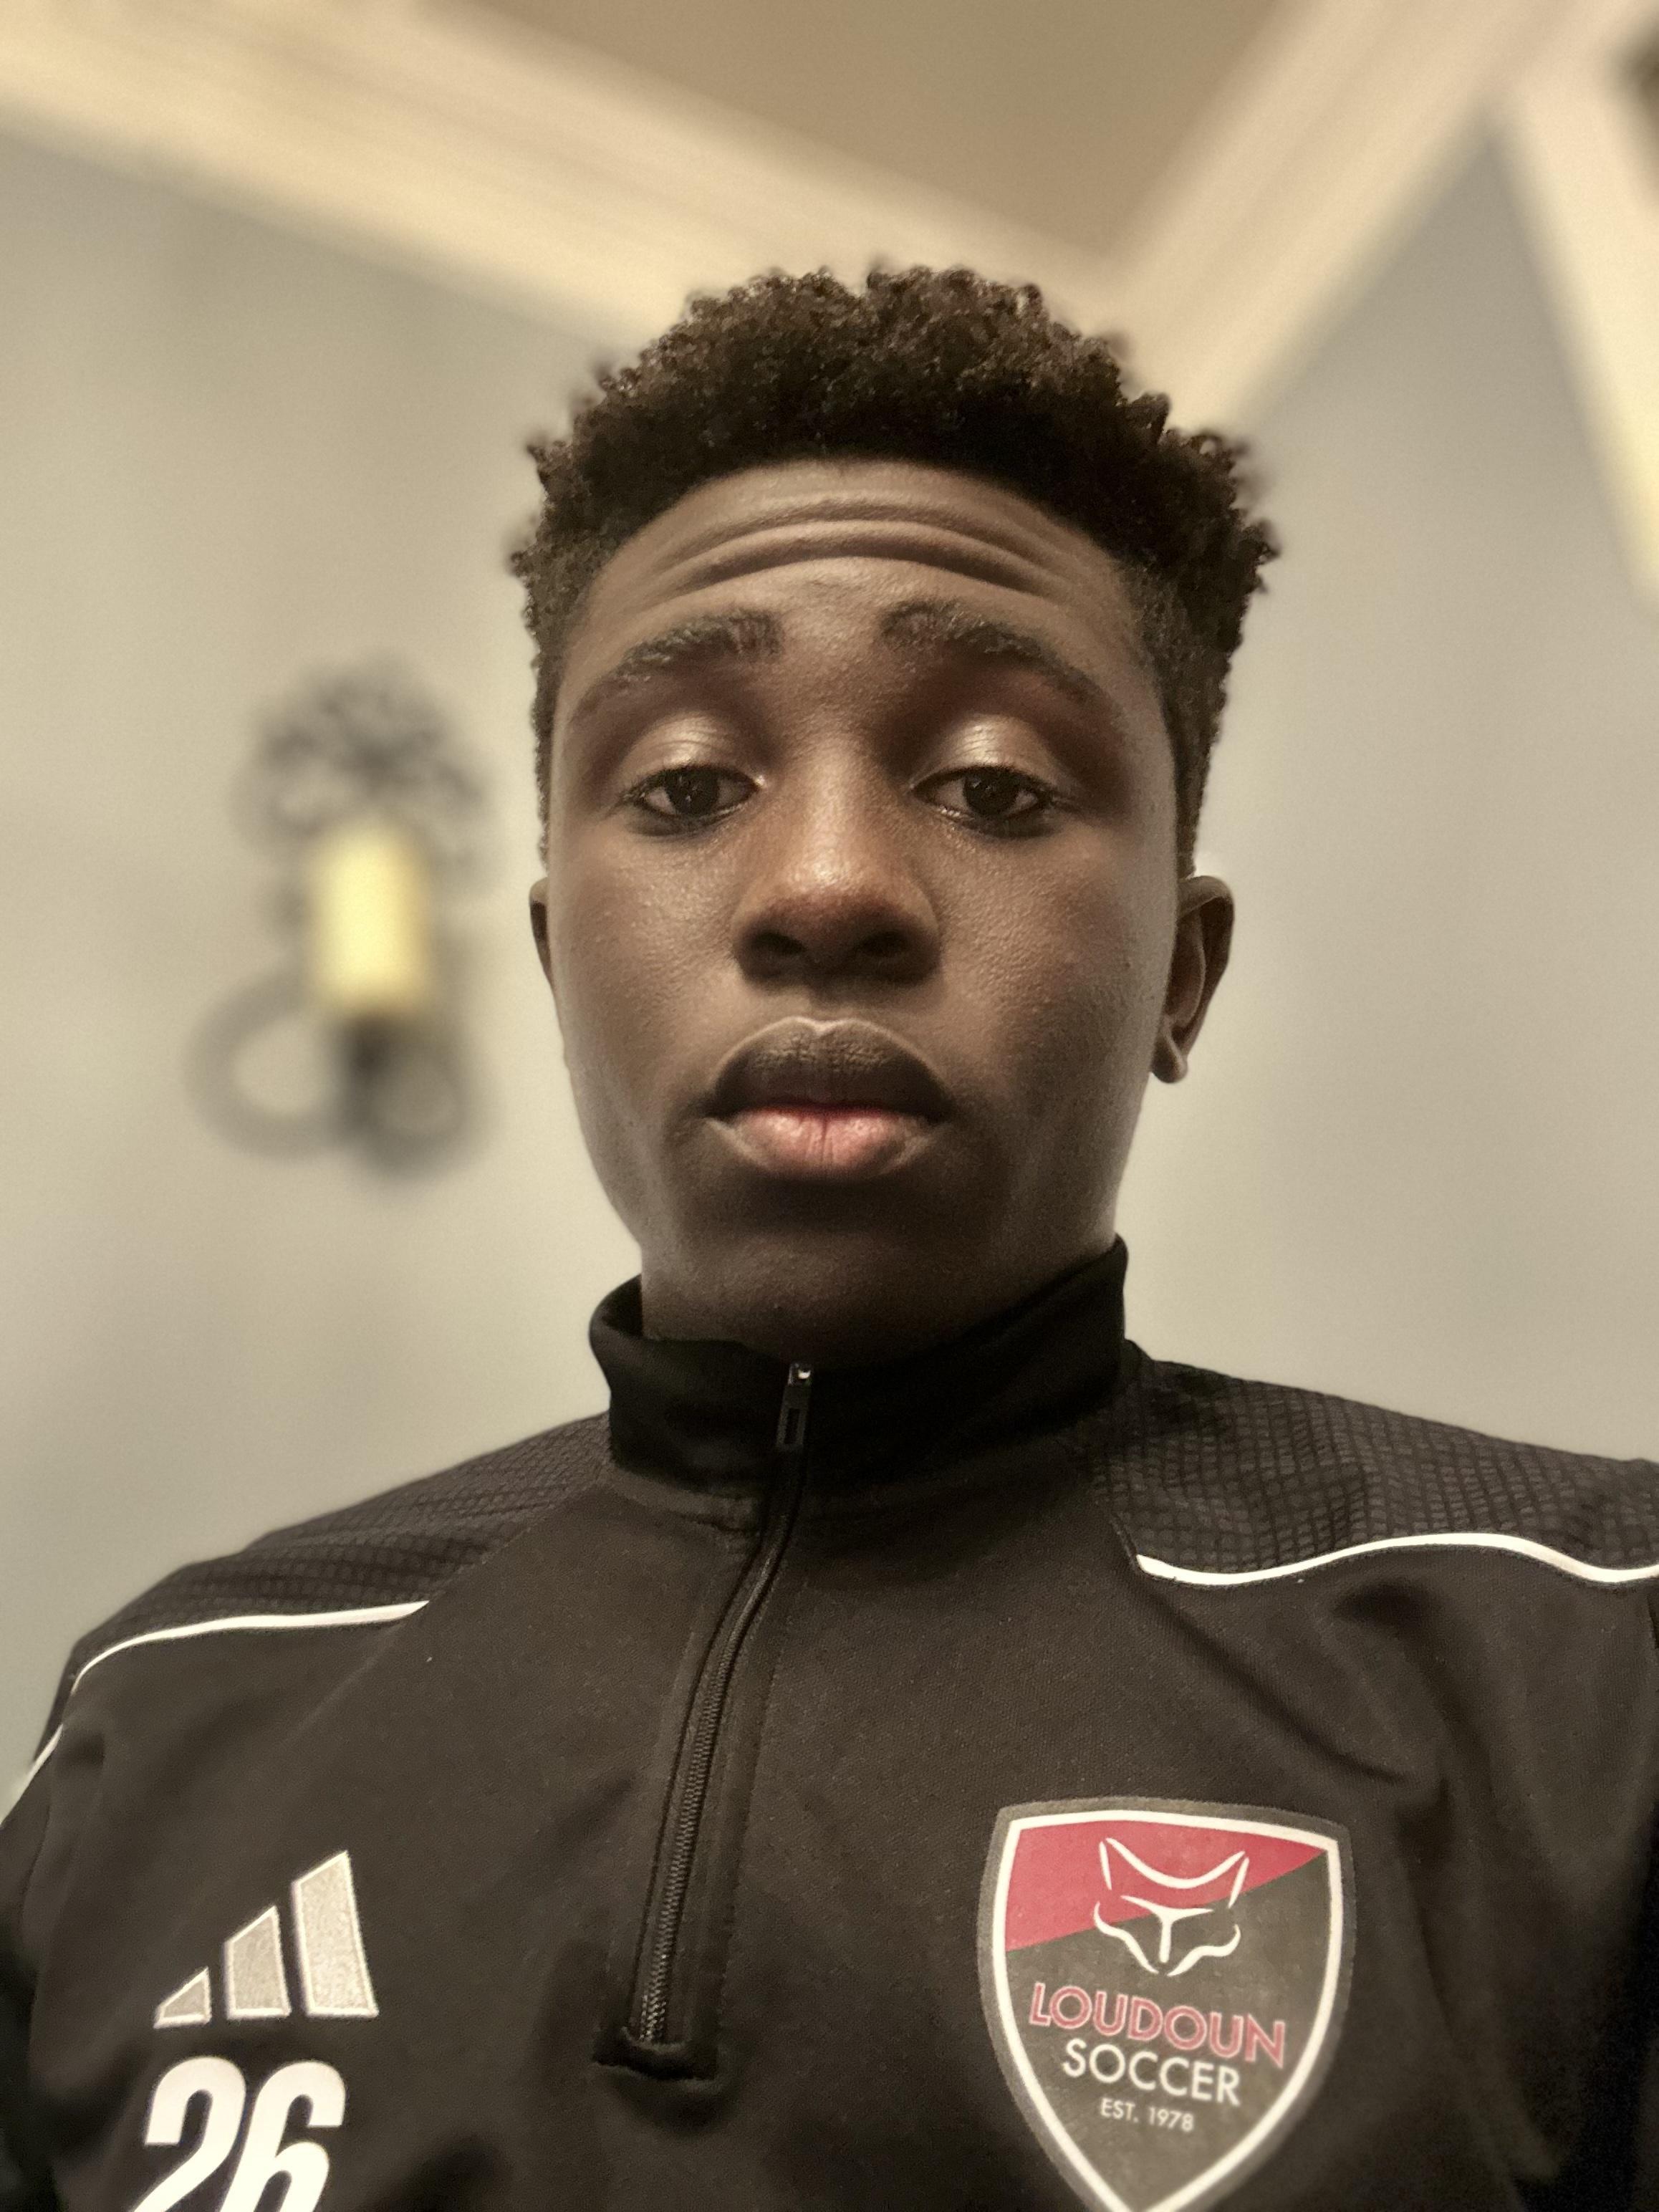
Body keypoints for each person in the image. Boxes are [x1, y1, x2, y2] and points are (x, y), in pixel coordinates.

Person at [2, 266, 1655, 2212]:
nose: (828, 885)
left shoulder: (1584, 1668)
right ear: (556, 959)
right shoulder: (171, 1714)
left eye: (994, 785)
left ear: (1178, 976)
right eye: (690, 786)